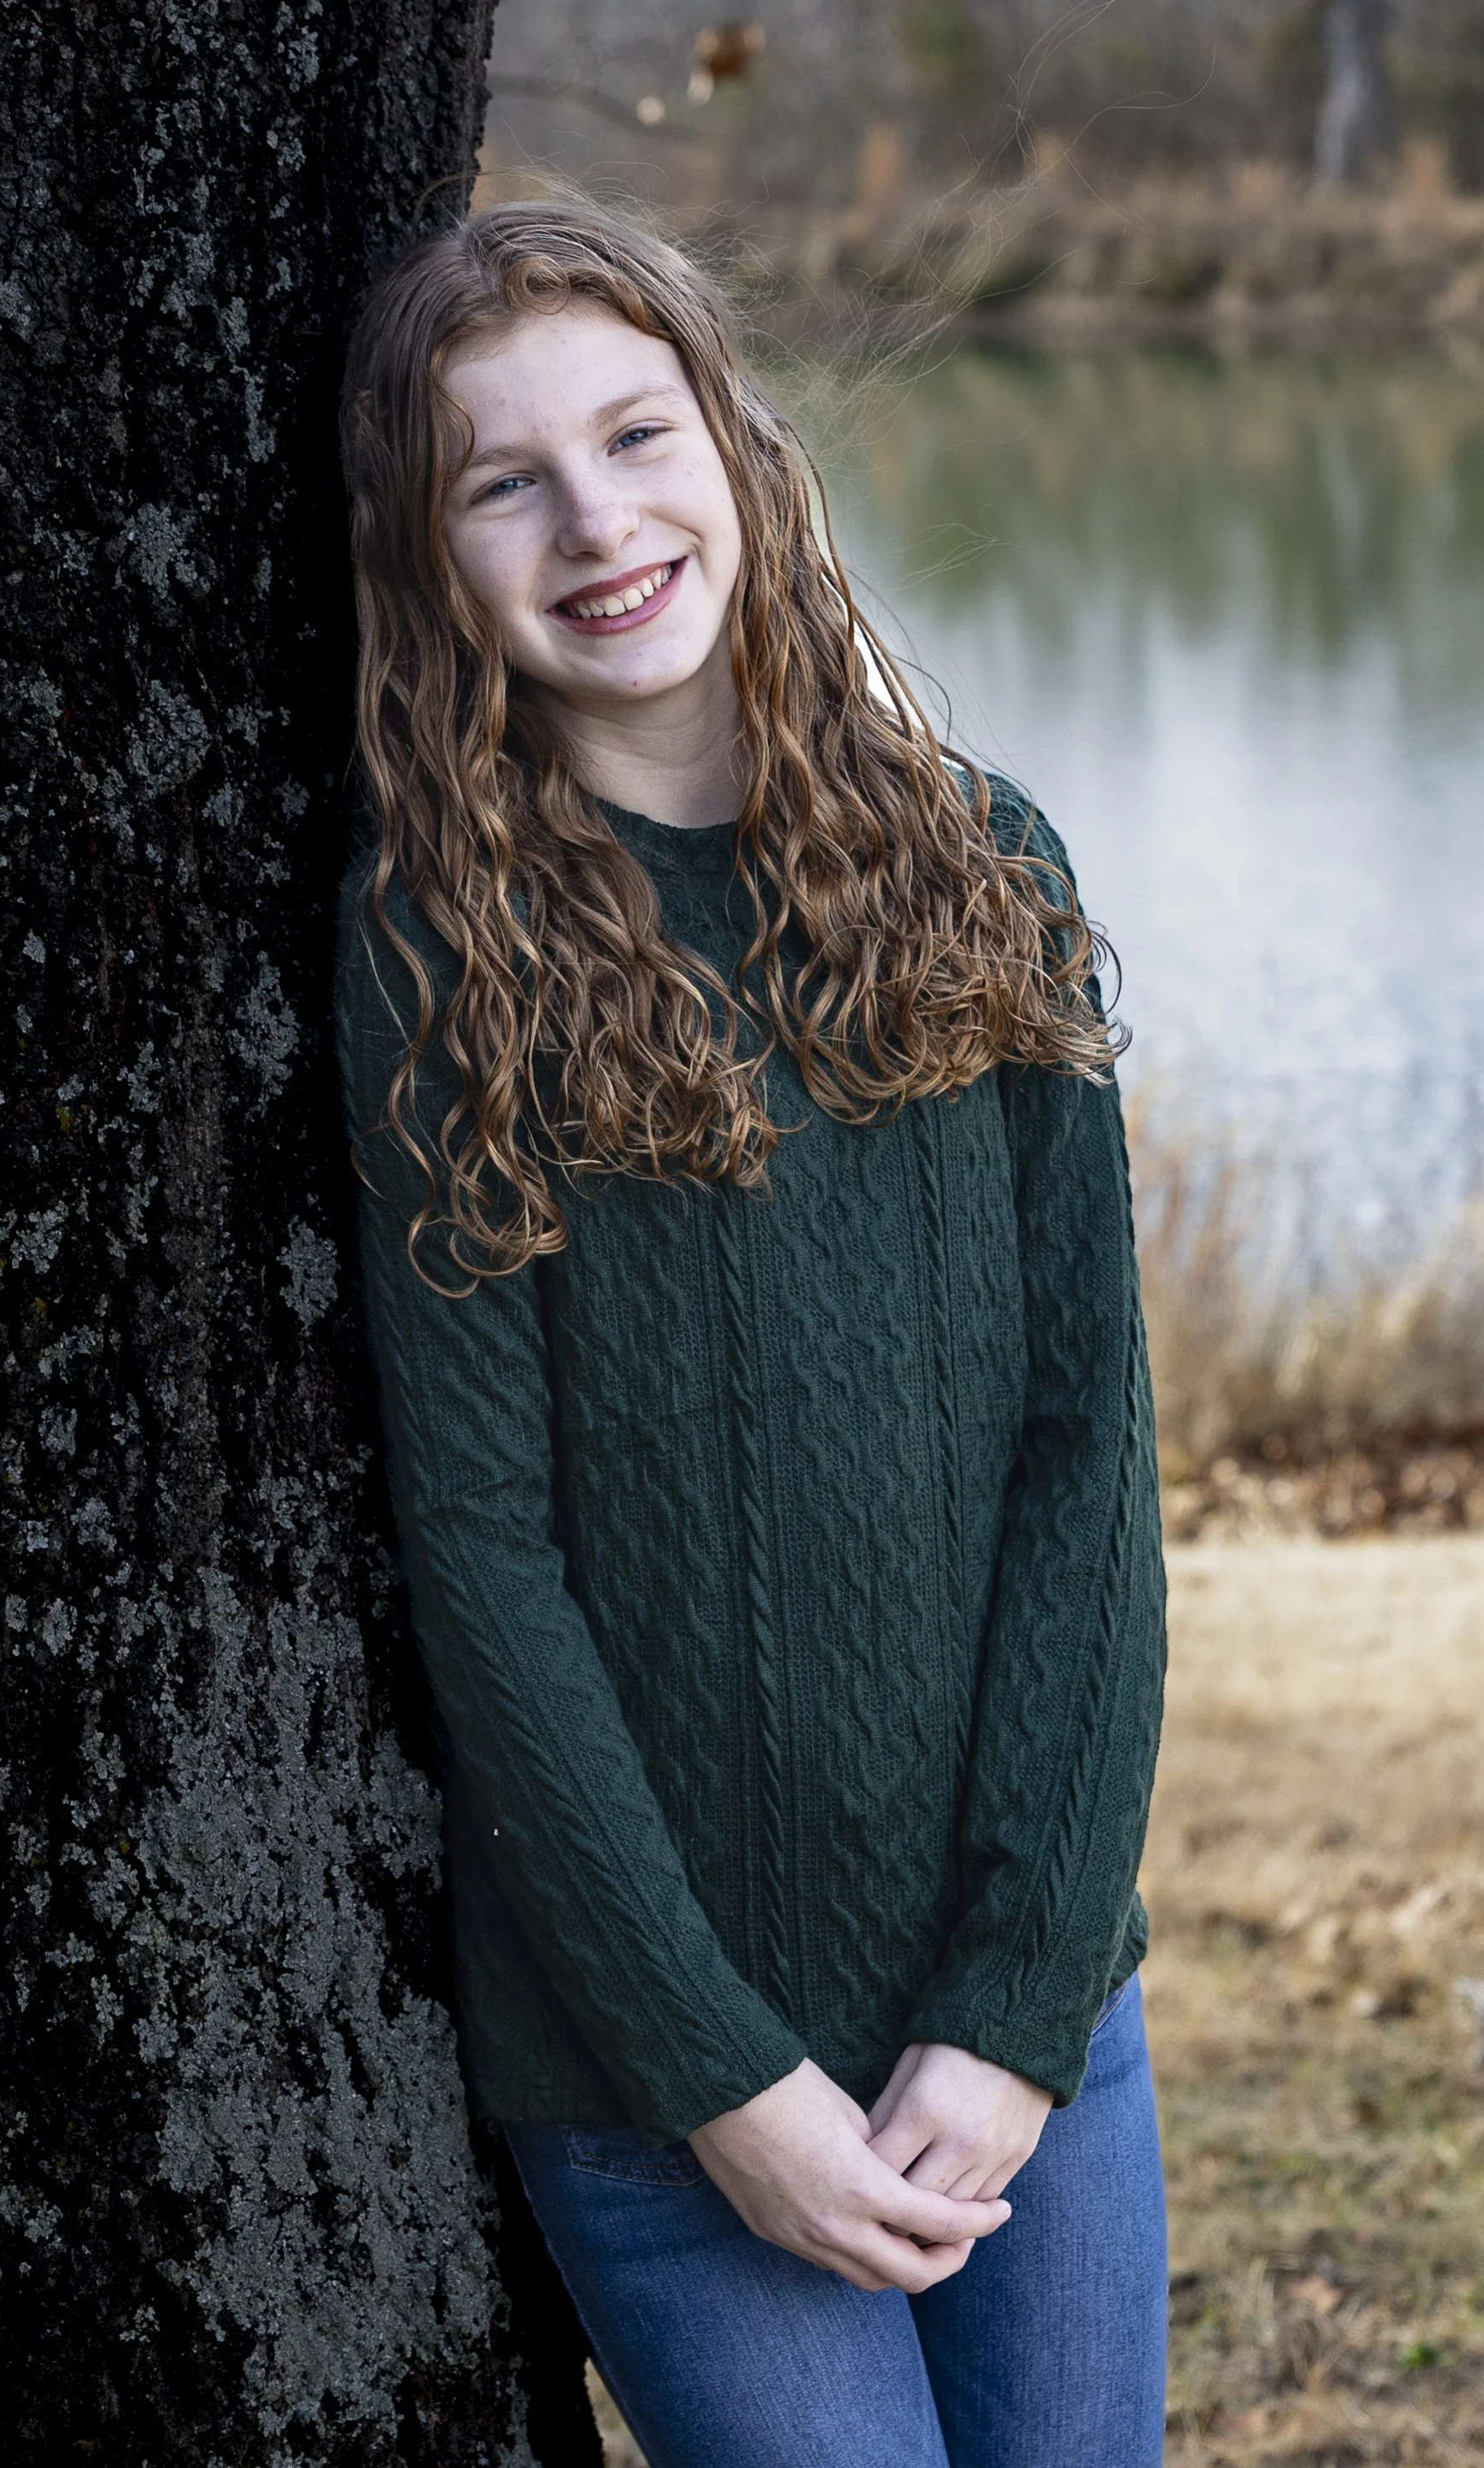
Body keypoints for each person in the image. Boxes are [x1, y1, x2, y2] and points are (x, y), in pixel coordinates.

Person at [335, 199, 1168, 2468]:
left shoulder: (986, 866)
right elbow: (488, 1567)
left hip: (1035, 2042)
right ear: (431, 561)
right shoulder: (442, 958)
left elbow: (1088, 1461)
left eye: (636, 429)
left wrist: (1014, 2013)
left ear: (738, 442)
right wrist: (728, 2084)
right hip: (668, 2082)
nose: (598, 519)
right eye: (504, 479)